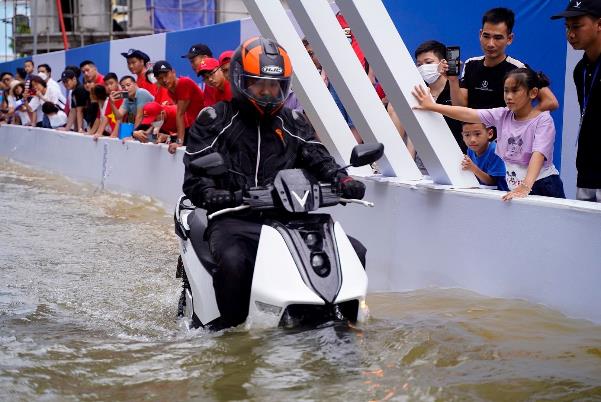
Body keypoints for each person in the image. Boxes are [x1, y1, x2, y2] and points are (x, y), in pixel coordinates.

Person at [182, 36, 367, 329]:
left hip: (290, 218)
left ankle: (346, 325)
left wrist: (342, 179)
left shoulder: (293, 120)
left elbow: (317, 156)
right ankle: (231, 334)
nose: (268, 93)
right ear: (242, 81)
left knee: (354, 250)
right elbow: (195, 173)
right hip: (234, 218)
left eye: (275, 86)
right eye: (260, 85)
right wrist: (213, 193)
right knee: (233, 261)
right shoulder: (214, 119)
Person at [413, 68, 565, 201]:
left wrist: (526, 186)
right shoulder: (502, 114)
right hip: (515, 186)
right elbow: (467, 113)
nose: (509, 96)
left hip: (542, 185)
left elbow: (538, 155)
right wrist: (432, 106)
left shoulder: (543, 120)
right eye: (506, 91)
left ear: (532, 93)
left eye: (515, 90)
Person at [446, 7, 559, 112]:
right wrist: (453, 80)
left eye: (498, 38)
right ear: (480, 35)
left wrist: (521, 122)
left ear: (509, 39)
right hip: (472, 132)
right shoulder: (470, 63)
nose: (490, 44)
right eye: (486, 36)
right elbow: (460, 107)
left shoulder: (518, 69)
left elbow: (551, 101)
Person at [551, 0, 601, 202]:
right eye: (568, 27)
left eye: (577, 26)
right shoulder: (580, 69)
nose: (571, 34)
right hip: (587, 174)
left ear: (599, 24)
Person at [153, 61, 205, 153]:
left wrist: (179, 142)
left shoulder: (183, 83)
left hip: (204, 128)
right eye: (160, 78)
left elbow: (180, 114)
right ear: (157, 79)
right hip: (195, 129)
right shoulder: (170, 91)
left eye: (166, 75)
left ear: (173, 72)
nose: (164, 80)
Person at [460, 122, 507, 190]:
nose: (472, 140)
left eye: (477, 134)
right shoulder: (470, 150)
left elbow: (492, 183)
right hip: (481, 192)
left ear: (490, 134)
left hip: (500, 195)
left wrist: (473, 168)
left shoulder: (496, 151)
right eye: (467, 135)